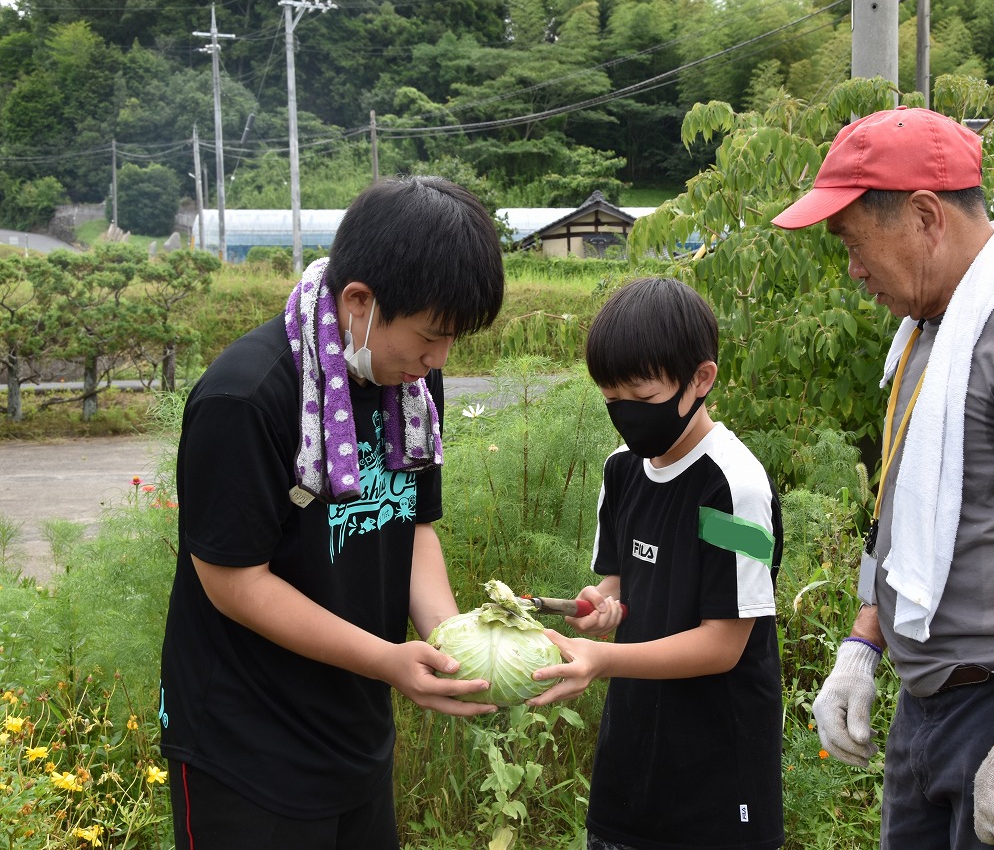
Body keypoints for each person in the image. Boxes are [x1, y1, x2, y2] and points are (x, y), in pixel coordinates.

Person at [772, 107, 994, 850]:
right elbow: (905, 510)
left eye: (853, 241)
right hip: (934, 707)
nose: (853, 268)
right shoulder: (932, 332)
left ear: (925, 215)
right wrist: (866, 640)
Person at [158, 176, 506, 849]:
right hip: (246, 751)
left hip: (354, 737)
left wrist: (452, 643)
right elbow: (233, 581)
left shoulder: (408, 379)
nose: (440, 359)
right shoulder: (247, 397)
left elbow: (413, 523)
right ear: (359, 302)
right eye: (431, 336)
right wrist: (386, 660)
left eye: (453, 339)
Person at [526, 277, 785, 850]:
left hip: (717, 779)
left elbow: (725, 642)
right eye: (612, 400)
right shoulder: (623, 471)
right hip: (633, 759)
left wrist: (603, 659)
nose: (627, 417)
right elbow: (621, 581)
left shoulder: (731, 491)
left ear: (701, 379)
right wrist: (601, 607)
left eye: (642, 401)